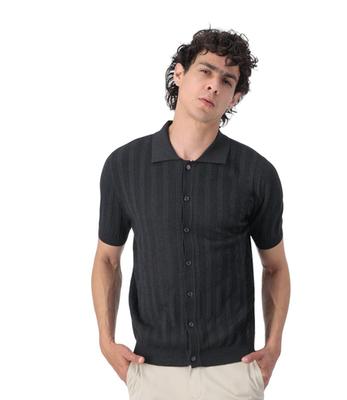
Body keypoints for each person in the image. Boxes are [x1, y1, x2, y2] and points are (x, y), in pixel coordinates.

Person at [91, 27, 291, 400]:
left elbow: (276, 267)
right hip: (151, 370)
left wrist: (274, 344)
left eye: (227, 80)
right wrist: (105, 340)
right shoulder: (124, 165)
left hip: (233, 372)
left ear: (235, 97)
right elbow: (107, 259)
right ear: (179, 74)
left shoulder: (256, 173)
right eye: (205, 71)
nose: (213, 85)